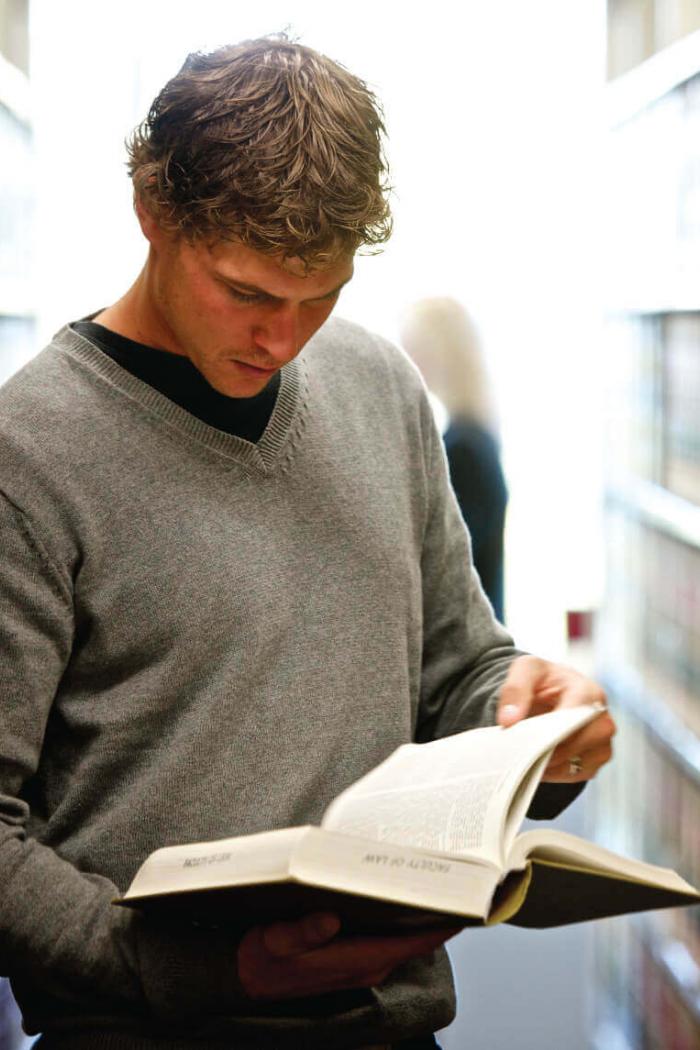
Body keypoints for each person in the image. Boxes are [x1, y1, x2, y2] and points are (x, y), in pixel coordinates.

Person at [0, 35, 616, 1050]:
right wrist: (188, 970)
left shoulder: (377, 383)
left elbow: (459, 667)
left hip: (391, 1028)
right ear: (153, 213)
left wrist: (536, 728)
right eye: (245, 294)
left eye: (317, 295)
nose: (282, 340)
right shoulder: (30, 450)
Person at [400, 298, 508, 621]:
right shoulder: (474, 434)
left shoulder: (464, 449)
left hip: (467, 637)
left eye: (415, 350)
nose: (409, 363)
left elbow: (444, 565)